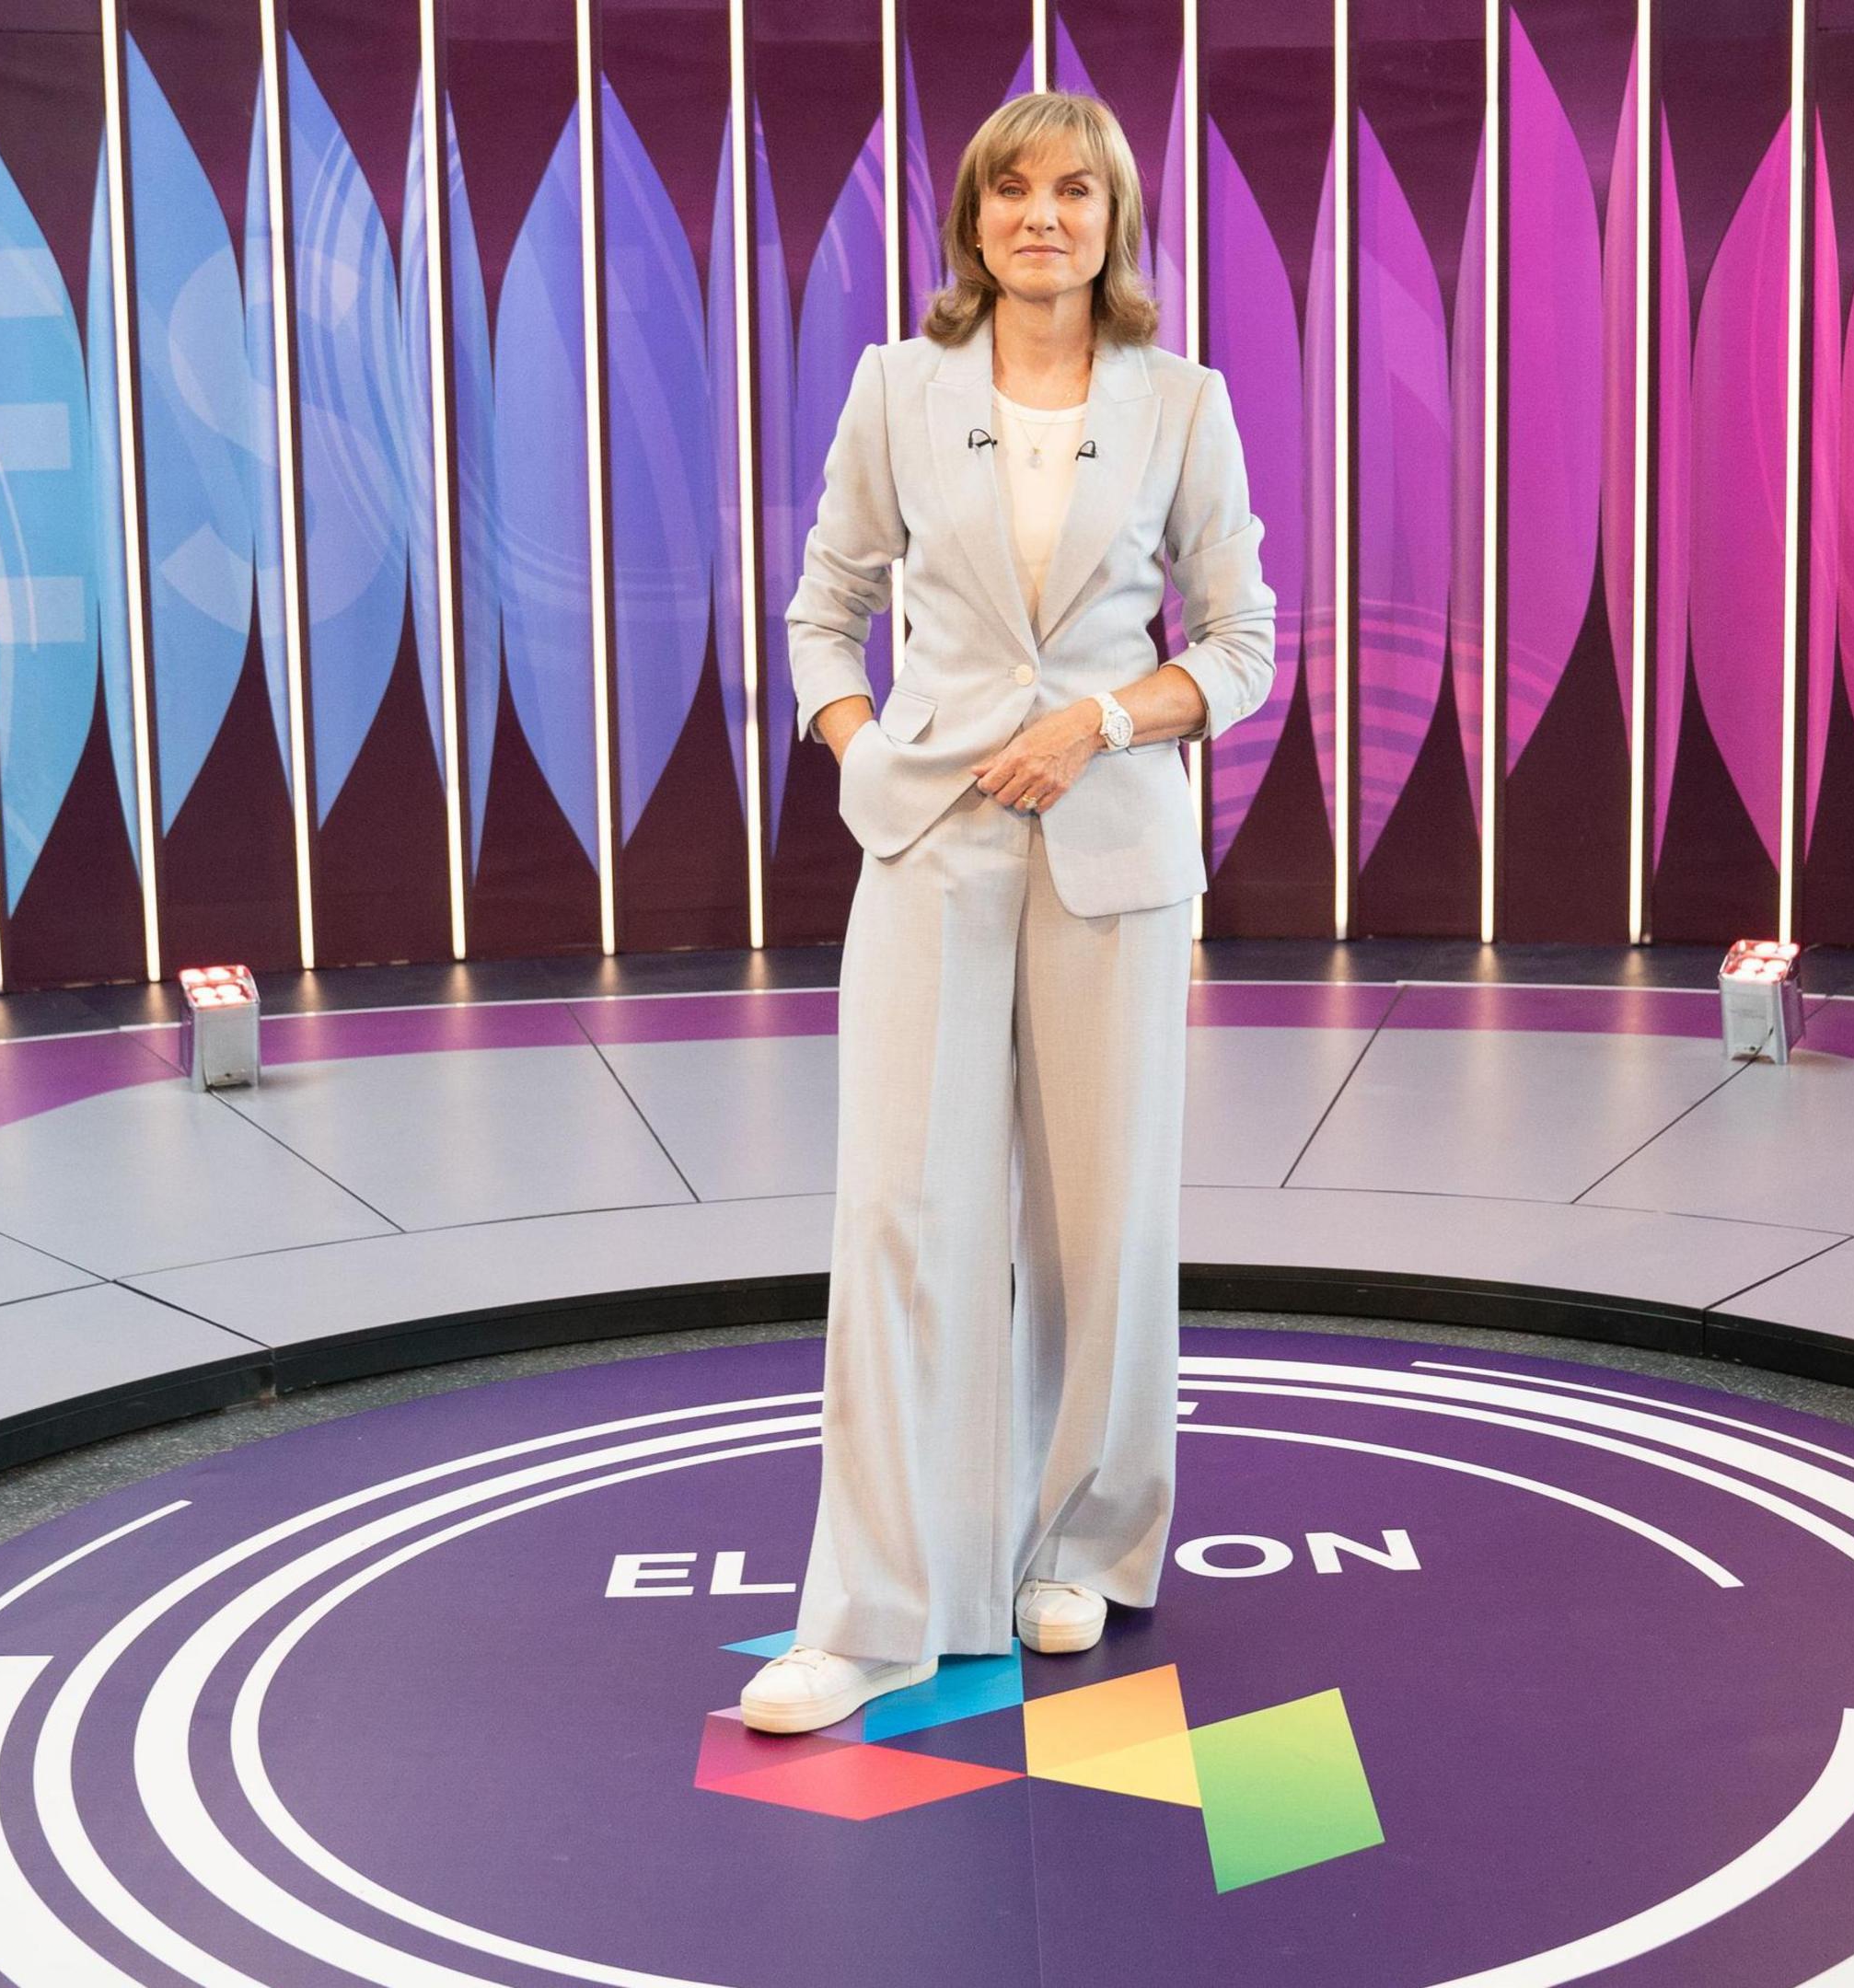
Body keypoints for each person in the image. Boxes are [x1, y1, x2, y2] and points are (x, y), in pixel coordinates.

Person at [738, 90, 1276, 1735]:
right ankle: (882, 1607)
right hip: (930, 843)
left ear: (1116, 219)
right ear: (972, 220)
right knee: (900, 1216)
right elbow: (823, 611)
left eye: (1076, 191)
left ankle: (1090, 1542)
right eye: (1012, 191)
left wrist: (1105, 720)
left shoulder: (1183, 403)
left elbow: (1244, 646)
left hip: (1115, 848)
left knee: (1099, 1222)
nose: (1044, 216)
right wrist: (858, 747)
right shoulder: (898, 390)